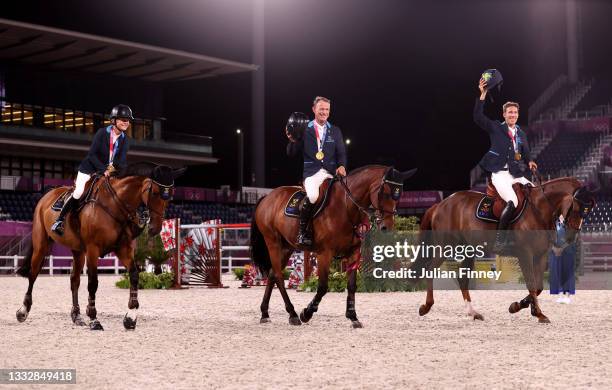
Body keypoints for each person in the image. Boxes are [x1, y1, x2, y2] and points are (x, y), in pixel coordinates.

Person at [474, 78, 538, 252]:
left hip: (515, 173)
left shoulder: (521, 134)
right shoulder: (496, 128)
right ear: (504, 115)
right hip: (499, 174)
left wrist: (530, 161)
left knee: (537, 195)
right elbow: (478, 117)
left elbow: (525, 152)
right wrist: (483, 94)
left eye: (515, 113)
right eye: (509, 112)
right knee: (512, 201)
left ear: (518, 114)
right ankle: (500, 241)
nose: (512, 115)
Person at [51, 104, 133, 236]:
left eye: (128, 120)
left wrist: (122, 172)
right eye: (123, 119)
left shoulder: (125, 140)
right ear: (114, 120)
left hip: (108, 172)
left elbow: (121, 161)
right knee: (78, 192)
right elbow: (92, 155)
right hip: (89, 169)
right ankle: (59, 220)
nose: (126, 122)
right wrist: (103, 169)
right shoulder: (102, 133)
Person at [286, 96, 347, 247]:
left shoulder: (336, 131)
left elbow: (341, 154)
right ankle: (302, 232)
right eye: (321, 109)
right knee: (313, 196)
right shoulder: (305, 129)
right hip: (312, 173)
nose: (324, 112)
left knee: (346, 196)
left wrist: (342, 166)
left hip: (332, 172)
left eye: (327, 109)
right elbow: (291, 153)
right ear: (314, 109)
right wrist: (292, 139)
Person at [549, 215, 577, 304]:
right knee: (557, 273)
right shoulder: (553, 223)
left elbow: (572, 238)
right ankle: (560, 294)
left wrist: (561, 248)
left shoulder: (570, 224)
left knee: (567, 273)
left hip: (568, 252)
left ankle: (568, 295)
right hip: (555, 254)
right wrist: (554, 249)